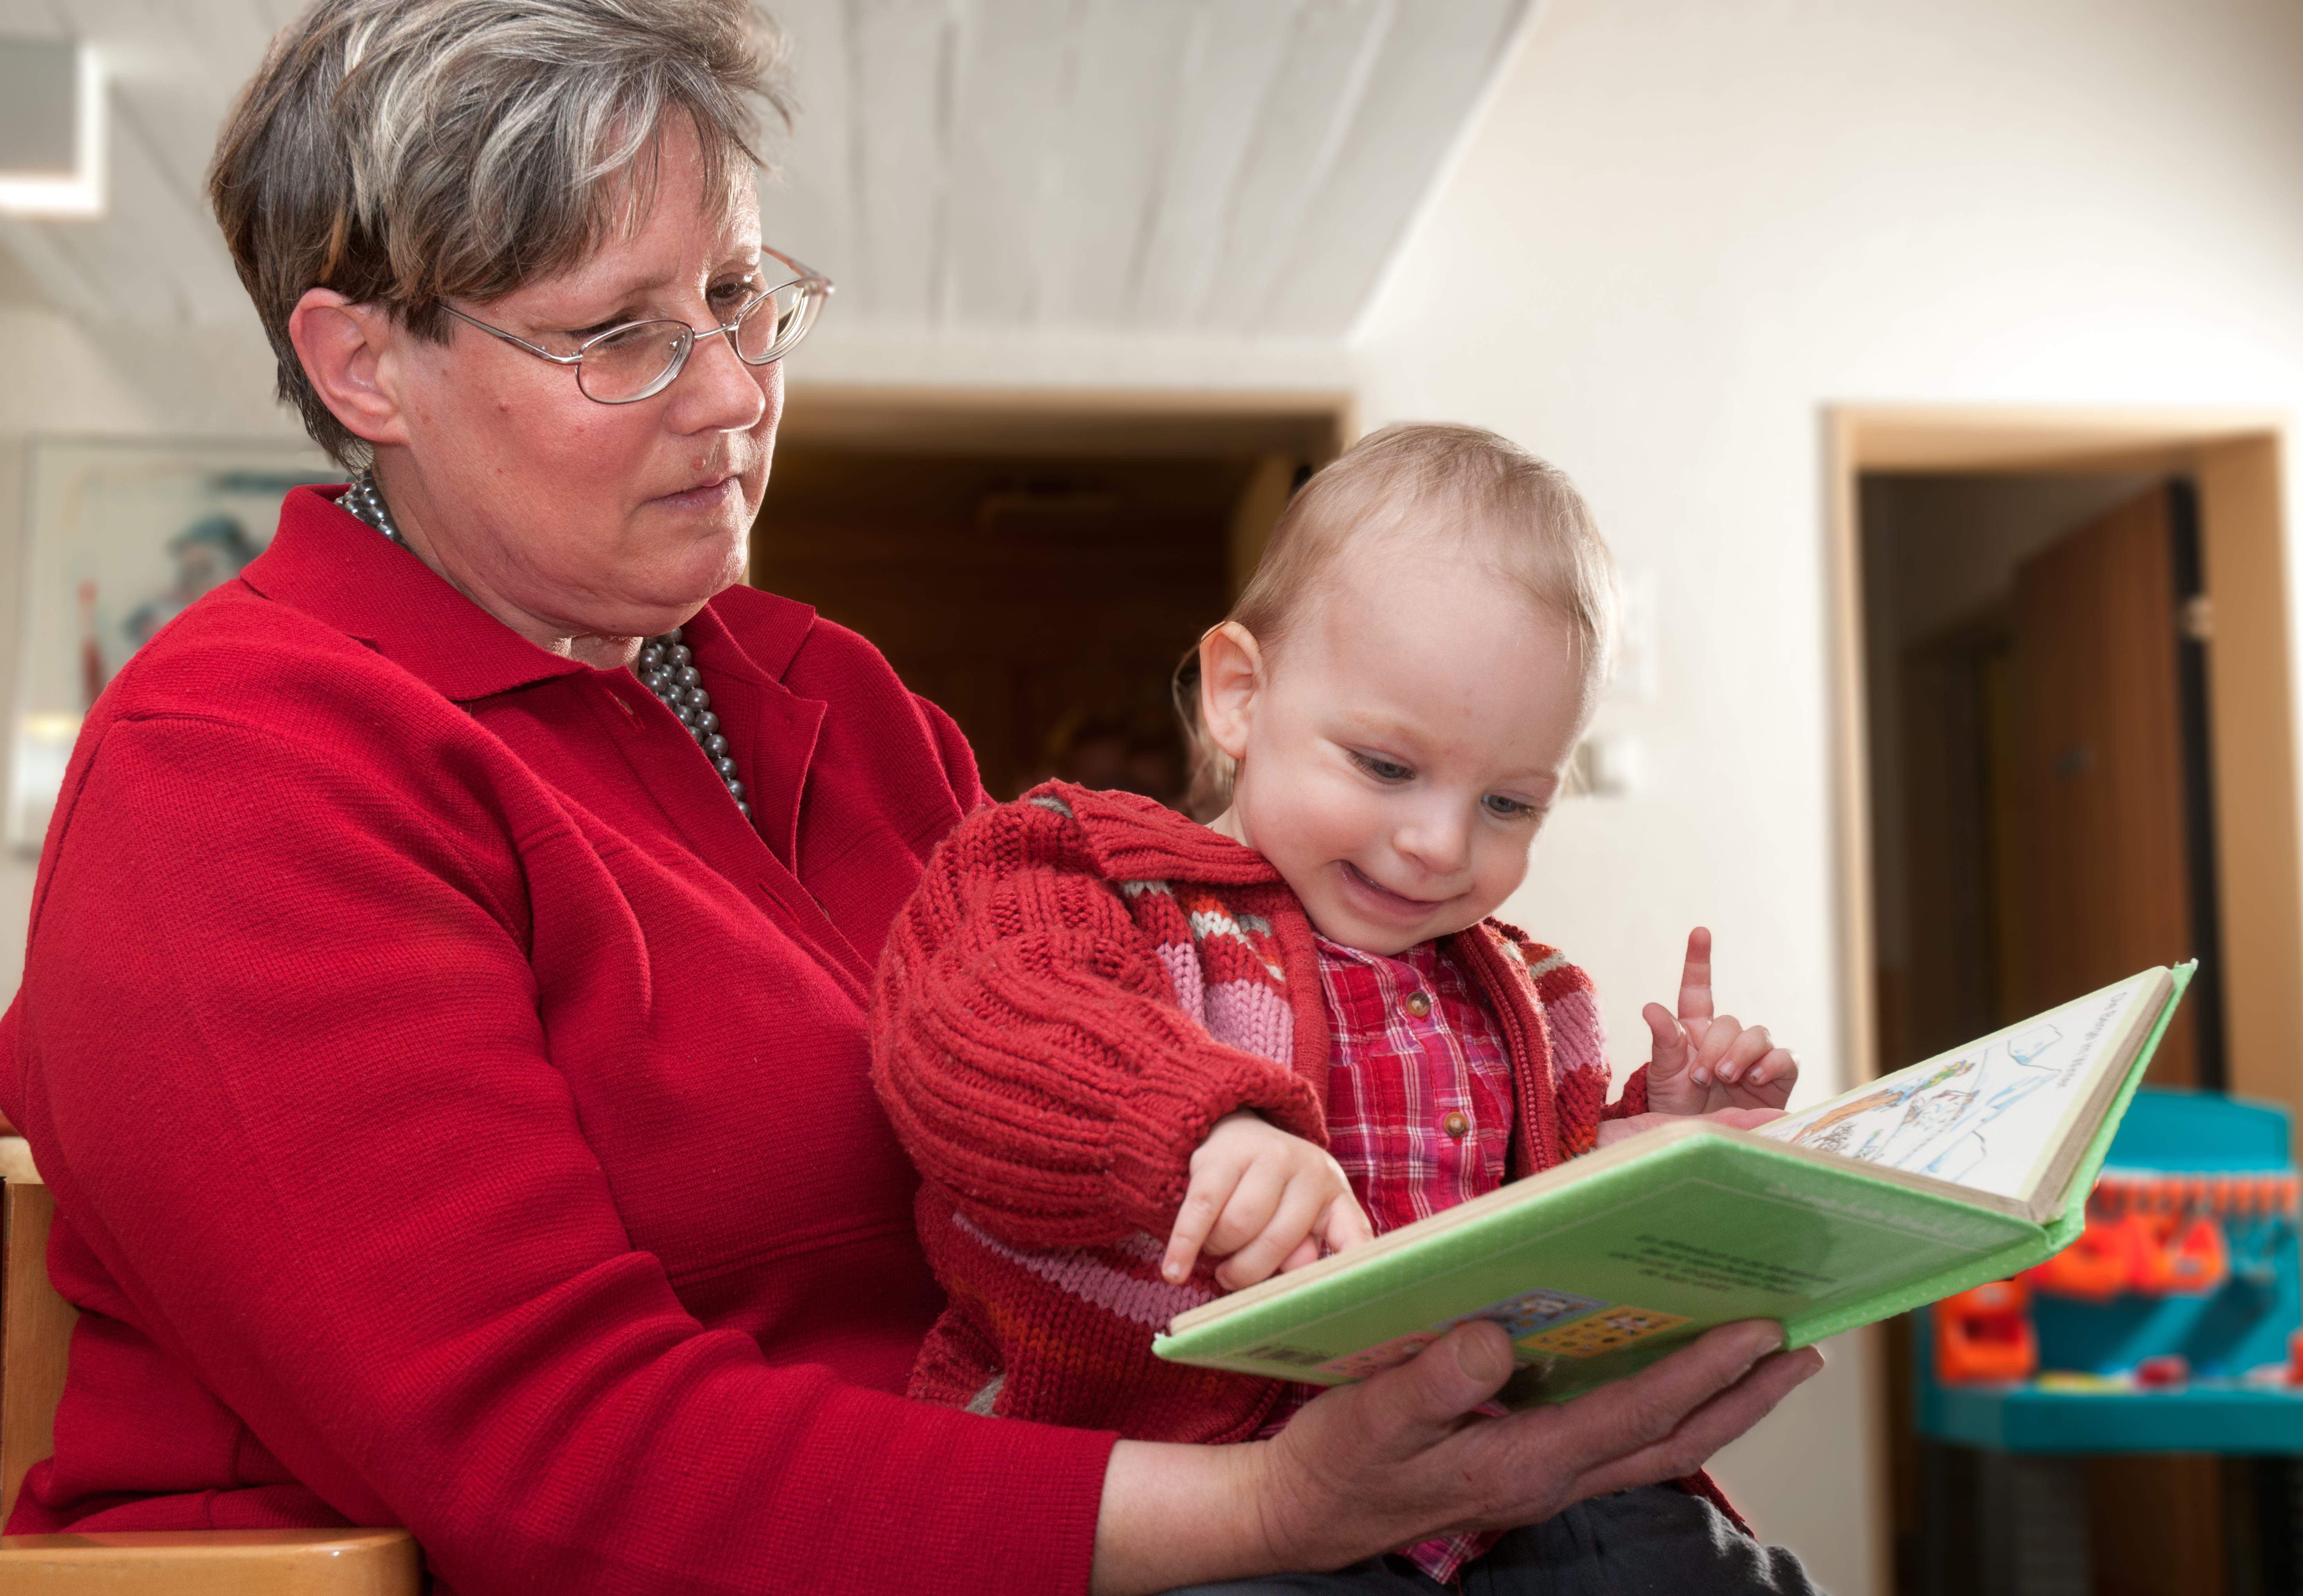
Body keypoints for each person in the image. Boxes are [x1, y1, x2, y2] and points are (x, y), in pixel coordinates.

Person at [0, 4, 1825, 1593]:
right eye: (619, 336)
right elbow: (555, 1470)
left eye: (737, 296)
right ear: (362, 365)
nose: (730, 393)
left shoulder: (829, 697)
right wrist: (1270, 1507)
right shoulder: (245, 768)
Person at [872, 425, 1822, 1592]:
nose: (1438, 842)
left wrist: (1655, 1144)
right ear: (1240, 694)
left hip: (1506, 1490)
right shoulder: (1081, 876)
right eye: (1385, 767)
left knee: (1712, 1572)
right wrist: (1203, 1126)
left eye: (1509, 803)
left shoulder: (1540, 992)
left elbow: (1555, 1256)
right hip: (1199, 1487)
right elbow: (977, 1026)